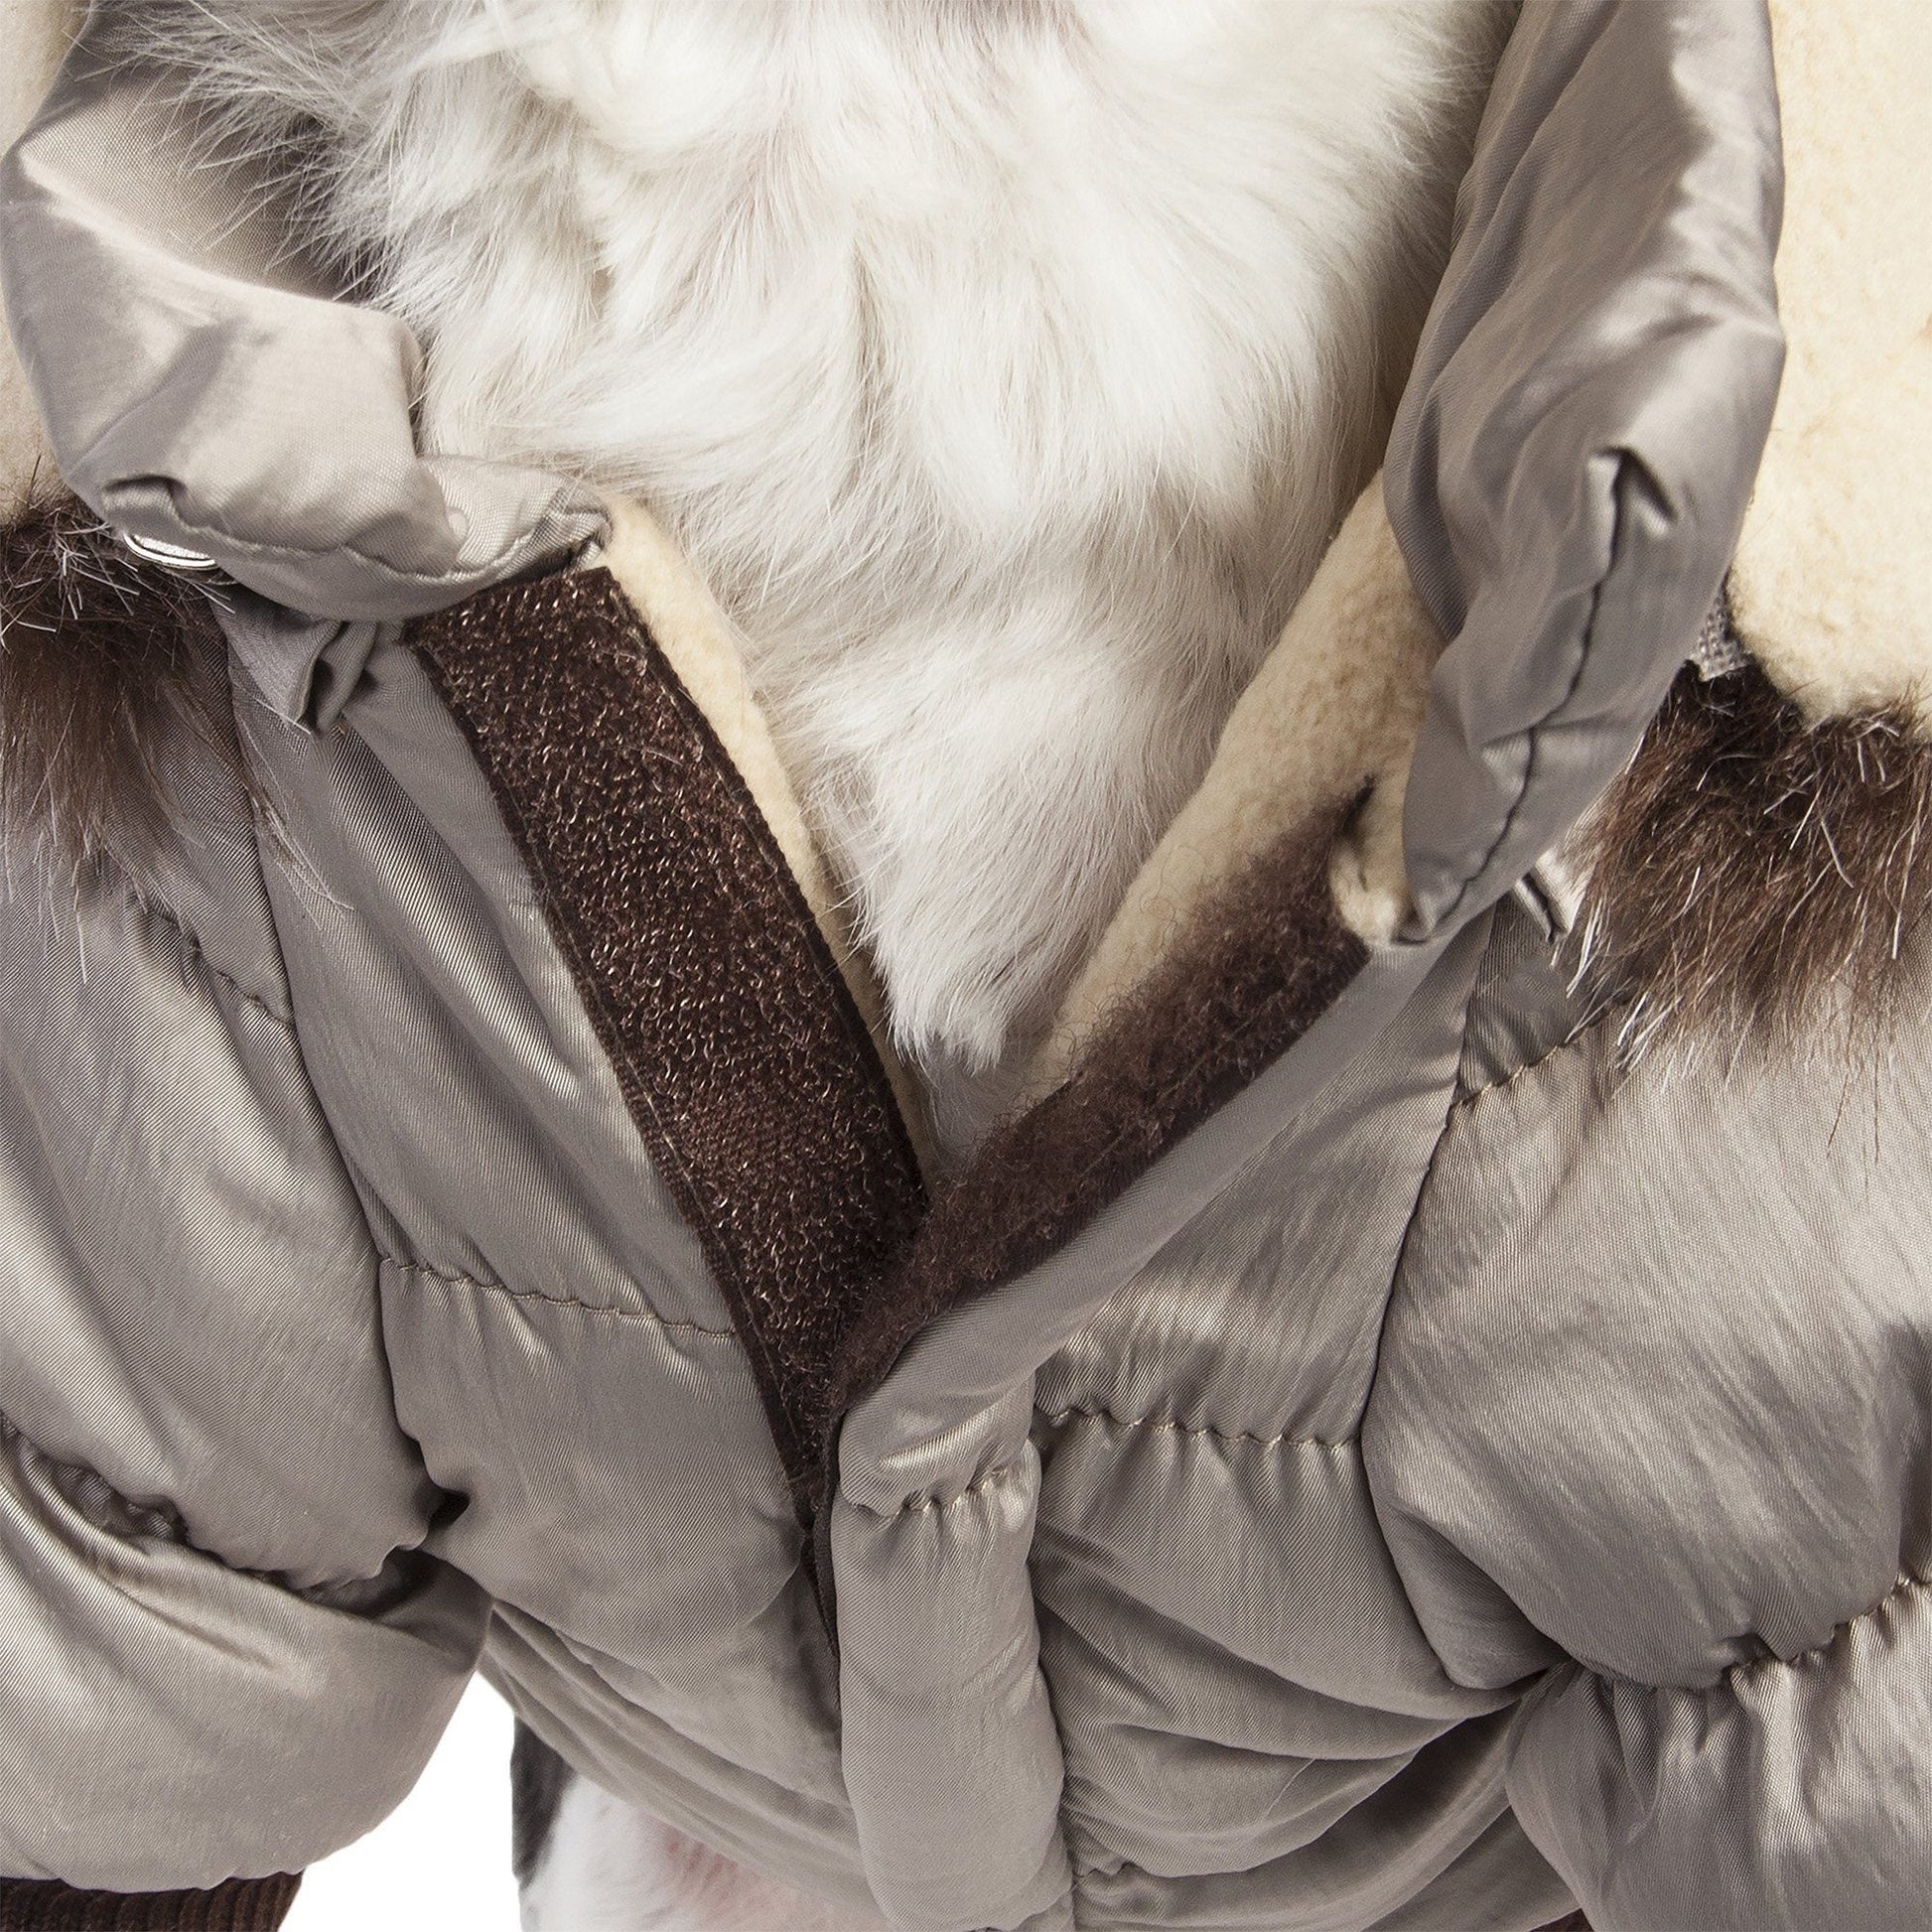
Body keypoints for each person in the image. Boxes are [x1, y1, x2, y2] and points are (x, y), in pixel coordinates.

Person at [0, 0, 1927, 1926]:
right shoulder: (198, 494)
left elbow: (1847, 1720)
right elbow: (110, 1644)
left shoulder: (1756, 780)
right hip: (700, 1814)